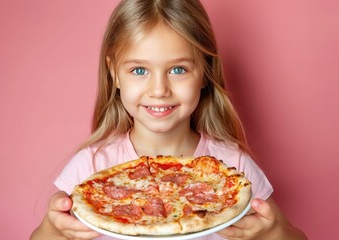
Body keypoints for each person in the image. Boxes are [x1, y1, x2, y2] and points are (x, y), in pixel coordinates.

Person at [30, 0, 307, 239]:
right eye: (139, 70)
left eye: (178, 69)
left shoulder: (233, 169)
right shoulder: (90, 168)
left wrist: (271, 234)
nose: (159, 90)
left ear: (204, 72)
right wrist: (55, 231)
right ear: (114, 73)